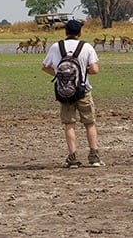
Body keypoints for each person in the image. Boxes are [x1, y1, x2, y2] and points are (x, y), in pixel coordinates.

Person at [42, 19, 103, 168]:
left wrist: (60, 75)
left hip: (64, 92)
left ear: (65, 32)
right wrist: (82, 72)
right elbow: (95, 70)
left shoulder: (56, 47)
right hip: (83, 90)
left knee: (69, 124)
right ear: (80, 33)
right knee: (89, 123)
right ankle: (94, 157)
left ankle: (72, 158)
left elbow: (44, 67)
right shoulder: (87, 47)